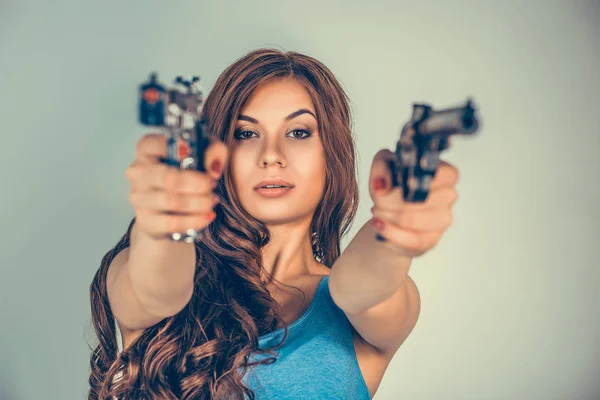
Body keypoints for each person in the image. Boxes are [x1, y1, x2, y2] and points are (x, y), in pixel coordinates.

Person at [88, 48, 459, 399]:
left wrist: (393, 232)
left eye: (298, 132)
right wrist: (165, 224)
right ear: (219, 154)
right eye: (246, 134)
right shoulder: (145, 266)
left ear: (333, 154)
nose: (271, 156)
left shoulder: (372, 304)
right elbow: (158, 288)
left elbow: (358, 287)